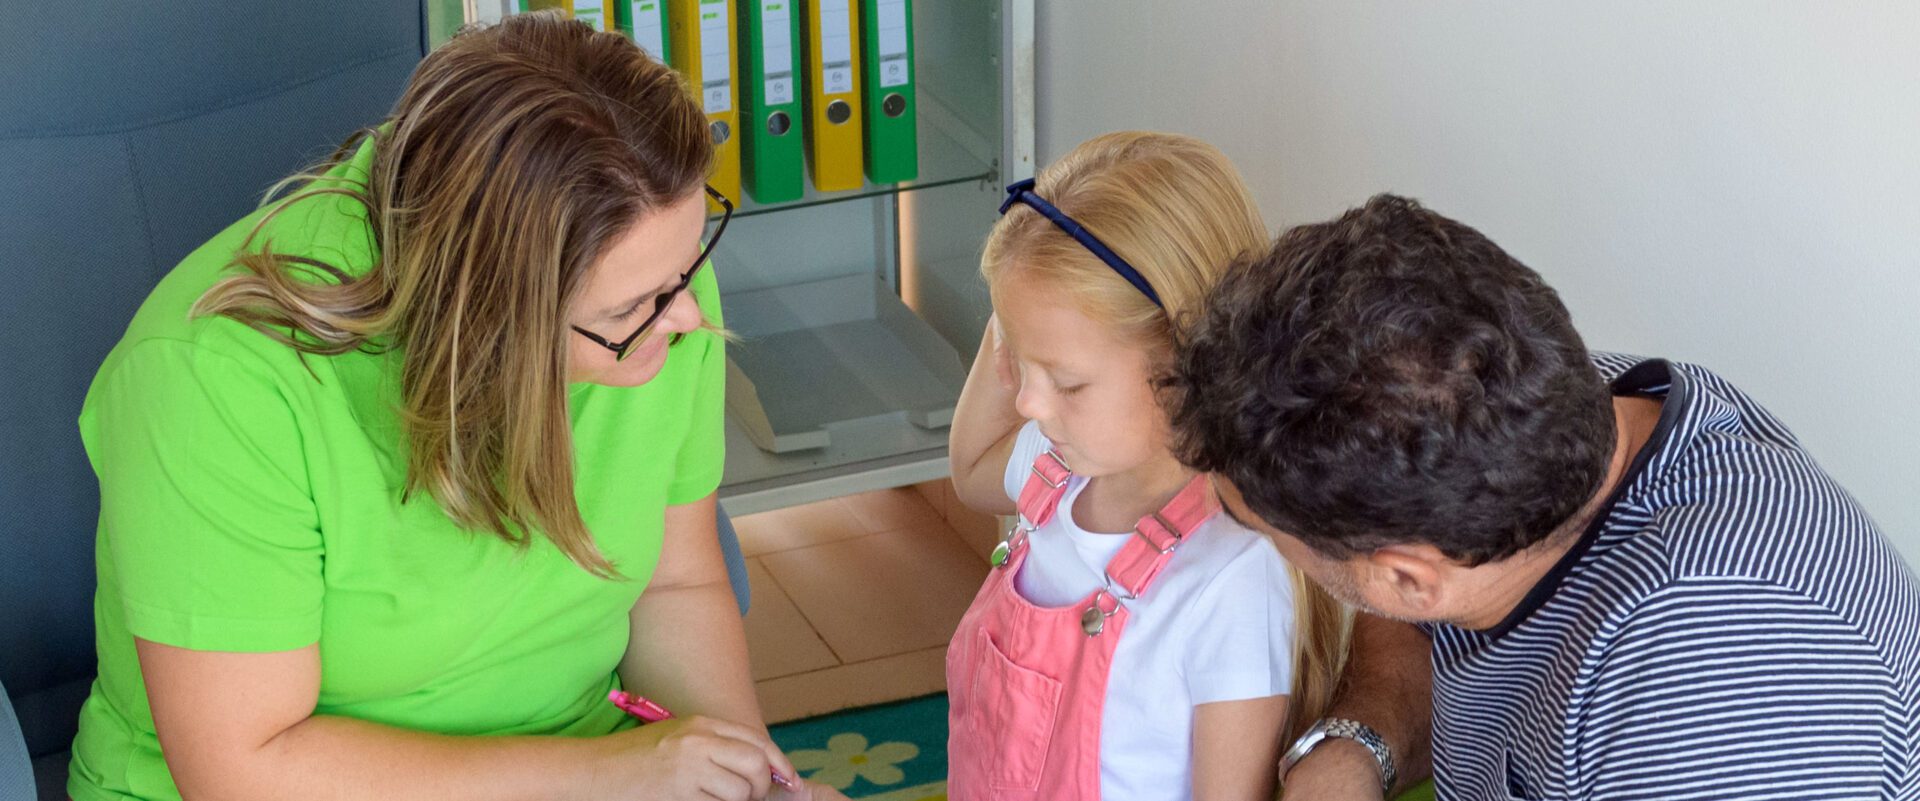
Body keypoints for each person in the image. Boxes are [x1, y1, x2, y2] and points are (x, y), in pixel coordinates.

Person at [69, 14, 844, 801]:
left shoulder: (647, 277)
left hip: (587, 768)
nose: (685, 317)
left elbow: (673, 585)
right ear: (484, 319)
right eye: (635, 309)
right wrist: (614, 774)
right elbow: (247, 769)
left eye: (688, 268)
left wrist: (753, 779)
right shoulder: (217, 382)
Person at [1167, 194, 1920, 799]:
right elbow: (1418, 621)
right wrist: (1359, 747)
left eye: (1255, 524)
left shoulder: (1713, 687)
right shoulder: (1538, 406)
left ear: (1407, 575)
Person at [943, 132, 1348, 801]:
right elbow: (970, 470)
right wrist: (1018, 313)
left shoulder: (1233, 575)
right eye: (1018, 358)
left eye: (1067, 381)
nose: (1027, 401)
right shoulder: (1056, 471)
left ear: (1191, 363)